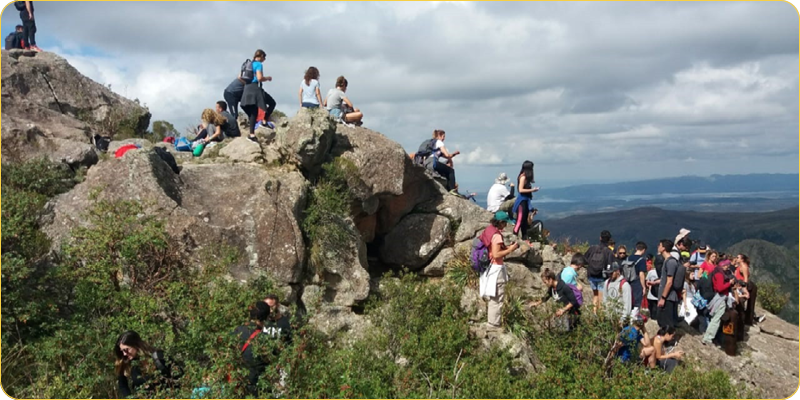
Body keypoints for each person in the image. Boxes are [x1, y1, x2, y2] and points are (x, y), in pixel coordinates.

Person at [478, 211, 519, 329]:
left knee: (493, 297)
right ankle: (493, 324)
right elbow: (496, 254)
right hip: (495, 268)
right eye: (505, 223)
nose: (505, 226)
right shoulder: (496, 235)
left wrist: (505, 247)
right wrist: (510, 249)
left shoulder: (489, 230)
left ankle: (491, 322)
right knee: (497, 297)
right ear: (500, 222)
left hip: (488, 267)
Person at [115, 331, 177, 398]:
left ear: (136, 345)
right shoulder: (129, 362)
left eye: (126, 350)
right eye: (122, 351)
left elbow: (178, 376)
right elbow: (122, 385)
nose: (124, 354)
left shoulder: (158, 357)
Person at [233, 301, 272, 397]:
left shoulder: (237, 331)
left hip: (236, 385)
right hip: (256, 387)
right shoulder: (264, 339)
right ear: (266, 318)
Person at [241, 49, 277, 142]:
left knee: (253, 112)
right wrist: (268, 78)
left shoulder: (248, 63)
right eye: (264, 57)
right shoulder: (258, 64)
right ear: (260, 56)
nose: (264, 59)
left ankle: (252, 135)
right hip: (255, 88)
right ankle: (264, 121)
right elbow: (259, 77)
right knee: (272, 103)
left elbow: (239, 77)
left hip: (247, 88)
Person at [702, 259, 735, 345]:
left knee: (715, 318)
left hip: (718, 297)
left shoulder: (717, 271)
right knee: (716, 319)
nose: (728, 267)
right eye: (727, 265)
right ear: (723, 265)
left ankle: (708, 336)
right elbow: (720, 288)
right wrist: (729, 283)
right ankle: (708, 338)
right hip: (720, 298)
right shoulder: (720, 274)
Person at [583, 230, 616, 314]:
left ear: (600, 238)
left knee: (595, 295)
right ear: (609, 240)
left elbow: (584, 259)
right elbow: (610, 266)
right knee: (601, 298)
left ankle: (594, 313)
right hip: (602, 277)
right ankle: (600, 316)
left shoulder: (592, 248)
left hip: (591, 275)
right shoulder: (609, 252)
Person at [657, 239, 685, 329]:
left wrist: (663, 298)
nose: (658, 247)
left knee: (667, 323)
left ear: (664, 248)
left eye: (660, 245)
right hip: (667, 296)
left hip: (668, 297)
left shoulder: (671, 262)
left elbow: (669, 282)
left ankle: (670, 341)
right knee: (662, 321)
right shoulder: (667, 261)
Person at [512, 160, 539, 239]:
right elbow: (520, 190)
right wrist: (532, 190)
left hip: (525, 201)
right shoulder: (523, 177)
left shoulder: (525, 178)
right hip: (521, 202)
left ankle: (524, 238)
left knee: (524, 222)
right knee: (520, 221)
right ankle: (514, 238)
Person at [735, 253, 763, 325]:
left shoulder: (744, 267)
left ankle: (748, 320)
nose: (736, 258)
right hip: (740, 284)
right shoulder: (739, 266)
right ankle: (746, 319)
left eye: (738, 257)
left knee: (750, 303)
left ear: (742, 259)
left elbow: (746, 278)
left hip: (746, 285)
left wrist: (744, 289)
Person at [627, 242, 648, 317]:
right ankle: (633, 319)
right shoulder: (641, 260)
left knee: (628, 300)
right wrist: (644, 287)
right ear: (644, 250)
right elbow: (641, 274)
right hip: (636, 282)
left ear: (636, 248)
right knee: (636, 302)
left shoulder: (628, 258)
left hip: (627, 282)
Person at [645, 254, 661, 321]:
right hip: (660, 295)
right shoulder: (664, 272)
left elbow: (647, 282)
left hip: (651, 295)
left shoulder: (651, 272)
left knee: (652, 311)